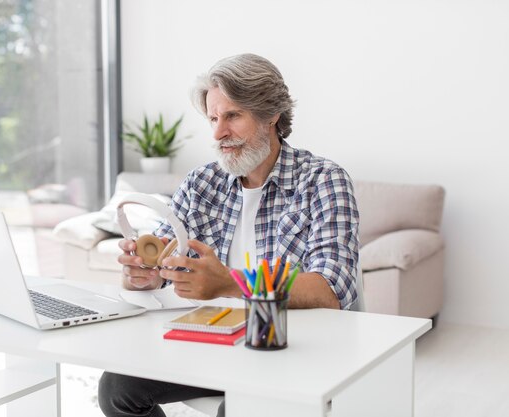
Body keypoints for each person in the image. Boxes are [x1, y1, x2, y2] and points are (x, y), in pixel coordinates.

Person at [98, 53, 359, 417]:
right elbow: (161, 257)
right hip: (212, 339)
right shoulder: (201, 182)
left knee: (239, 408)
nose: (219, 133)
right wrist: (143, 274)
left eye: (233, 116)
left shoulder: (323, 181)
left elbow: (331, 291)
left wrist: (230, 283)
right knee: (117, 388)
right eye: (214, 119)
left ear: (272, 115)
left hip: (284, 348)